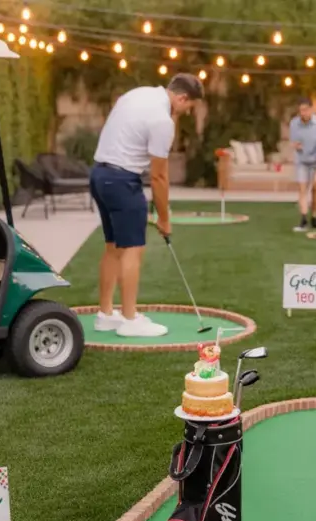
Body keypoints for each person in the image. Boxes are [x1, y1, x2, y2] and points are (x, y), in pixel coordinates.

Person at [89, 73, 204, 337]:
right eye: (189, 106)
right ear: (182, 97)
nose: (187, 112)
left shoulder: (138, 93)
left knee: (113, 247)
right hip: (122, 181)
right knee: (132, 250)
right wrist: (164, 218)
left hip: (99, 176)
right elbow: (159, 176)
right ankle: (130, 319)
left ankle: (105, 314)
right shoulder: (162, 121)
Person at [288, 97, 316, 231]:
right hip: (302, 161)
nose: (303, 113)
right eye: (301, 110)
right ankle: (303, 218)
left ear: (311, 109)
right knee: (302, 189)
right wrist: (295, 145)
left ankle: (314, 217)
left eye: (306, 110)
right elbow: (294, 141)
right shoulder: (294, 124)